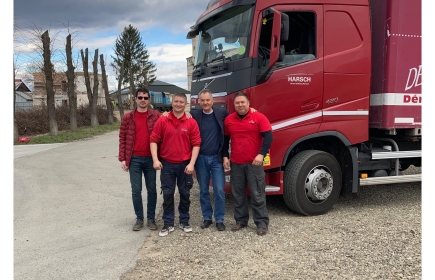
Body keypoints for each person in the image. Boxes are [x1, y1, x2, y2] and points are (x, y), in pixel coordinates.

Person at [150, 92, 201, 237]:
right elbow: (153, 140)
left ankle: (184, 221)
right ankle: (168, 223)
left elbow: (196, 144)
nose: (178, 104)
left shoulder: (191, 122)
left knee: (185, 193)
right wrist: (155, 159)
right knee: (167, 194)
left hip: (185, 164)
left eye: (181, 102)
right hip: (166, 164)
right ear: (172, 103)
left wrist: (192, 164)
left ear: (185, 104)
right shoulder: (163, 120)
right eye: (176, 101)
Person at [223, 91, 273, 236]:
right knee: (238, 194)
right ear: (234, 105)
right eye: (237, 103)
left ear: (248, 103)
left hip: (254, 163)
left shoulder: (259, 117)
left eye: (242, 102)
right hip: (236, 163)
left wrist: (261, 154)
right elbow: (225, 140)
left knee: (257, 193)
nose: (240, 105)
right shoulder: (229, 120)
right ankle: (241, 221)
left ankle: (262, 223)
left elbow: (268, 137)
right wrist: (225, 156)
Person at [118, 88, 161, 231]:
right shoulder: (128, 118)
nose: (143, 100)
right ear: (135, 99)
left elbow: (170, 120)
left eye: (146, 98)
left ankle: (151, 219)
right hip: (134, 159)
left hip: (150, 159)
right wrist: (123, 158)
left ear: (149, 100)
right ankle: (139, 218)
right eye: (140, 97)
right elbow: (123, 138)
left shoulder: (155, 116)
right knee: (136, 191)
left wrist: (188, 115)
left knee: (152, 190)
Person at [190, 89, 229, 231]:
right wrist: (164, 113)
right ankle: (207, 218)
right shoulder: (195, 115)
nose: (205, 103)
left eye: (208, 100)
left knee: (219, 189)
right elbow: (179, 113)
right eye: (202, 100)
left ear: (213, 101)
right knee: (204, 190)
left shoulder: (221, 113)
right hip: (201, 159)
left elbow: (238, 116)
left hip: (216, 159)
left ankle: (219, 219)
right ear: (199, 102)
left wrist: (252, 110)